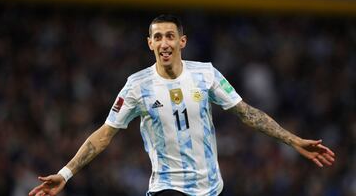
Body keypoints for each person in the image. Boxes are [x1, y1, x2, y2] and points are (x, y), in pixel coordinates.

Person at [29, 14, 335, 196]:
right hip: (167, 188)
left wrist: (295, 141)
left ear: (182, 41)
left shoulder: (206, 74)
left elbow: (247, 113)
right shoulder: (138, 85)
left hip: (211, 189)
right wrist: (65, 174)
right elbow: (105, 134)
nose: (164, 42)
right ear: (149, 43)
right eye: (158, 36)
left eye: (170, 36)